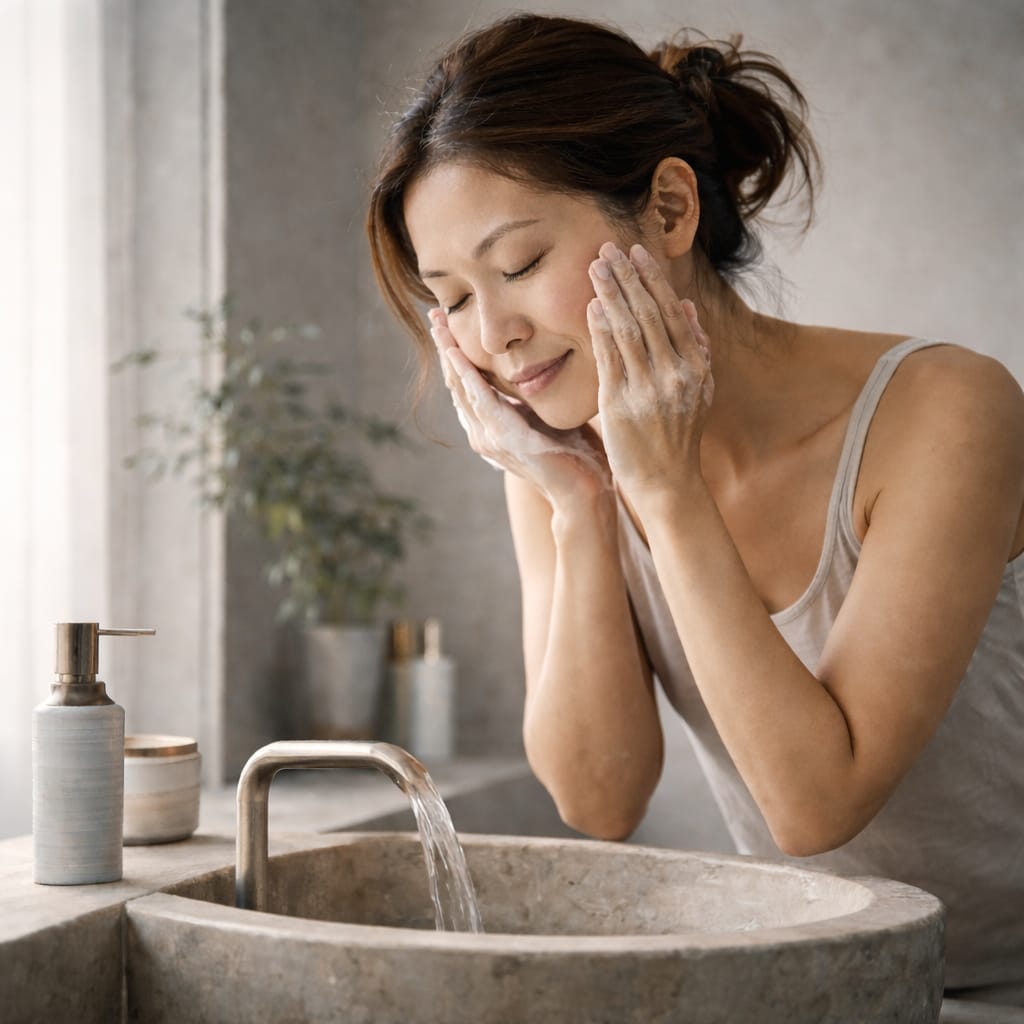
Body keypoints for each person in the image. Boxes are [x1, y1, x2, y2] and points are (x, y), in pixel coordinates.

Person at [366, 13, 1024, 1003]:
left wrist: (665, 492)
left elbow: (815, 803)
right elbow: (598, 797)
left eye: (517, 265)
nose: (492, 331)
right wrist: (578, 505)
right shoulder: (558, 462)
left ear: (669, 210)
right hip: (832, 983)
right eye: (451, 297)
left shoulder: (946, 409)